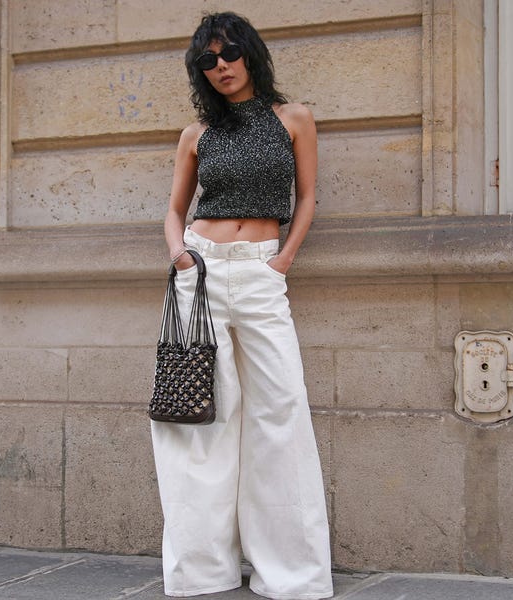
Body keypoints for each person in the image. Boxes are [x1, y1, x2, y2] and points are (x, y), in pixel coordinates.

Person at [150, 12, 333, 600]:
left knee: (280, 411)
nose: (220, 66)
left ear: (250, 54)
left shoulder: (293, 119)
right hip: (198, 275)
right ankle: (201, 571)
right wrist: (180, 255)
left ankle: (293, 575)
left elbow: (306, 199)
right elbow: (175, 210)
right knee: (197, 418)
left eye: (228, 53)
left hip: (260, 272)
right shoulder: (196, 135)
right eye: (207, 60)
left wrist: (281, 261)